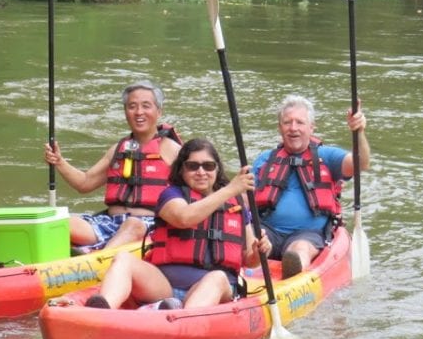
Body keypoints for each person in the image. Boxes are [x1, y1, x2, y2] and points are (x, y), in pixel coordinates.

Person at [84, 138, 271, 309]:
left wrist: (258, 251)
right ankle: (103, 308)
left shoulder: (235, 203)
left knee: (217, 277)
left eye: (208, 166)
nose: (201, 172)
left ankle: (182, 319)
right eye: (192, 166)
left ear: (217, 169)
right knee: (124, 258)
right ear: (181, 169)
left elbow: (249, 260)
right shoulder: (171, 195)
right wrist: (230, 189)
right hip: (164, 285)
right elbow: (184, 218)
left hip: (214, 287)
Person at [43, 81, 182, 254]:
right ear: (125, 112)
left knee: (133, 225)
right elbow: (85, 183)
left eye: (146, 106)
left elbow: (197, 189)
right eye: (132, 106)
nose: (139, 112)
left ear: (158, 112)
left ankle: (97, 262)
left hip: (150, 226)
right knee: (62, 224)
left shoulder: (173, 149)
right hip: (109, 222)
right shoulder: (118, 149)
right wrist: (59, 161)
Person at [253, 94, 370, 278]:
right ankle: (249, 268)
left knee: (298, 250)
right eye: (287, 122)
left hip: (308, 234)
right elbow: (244, 198)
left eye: (299, 122)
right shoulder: (264, 160)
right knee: (253, 240)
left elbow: (361, 163)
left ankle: (292, 273)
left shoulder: (327, 156)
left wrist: (359, 132)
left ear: (311, 127)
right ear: (279, 128)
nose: (293, 128)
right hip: (268, 230)